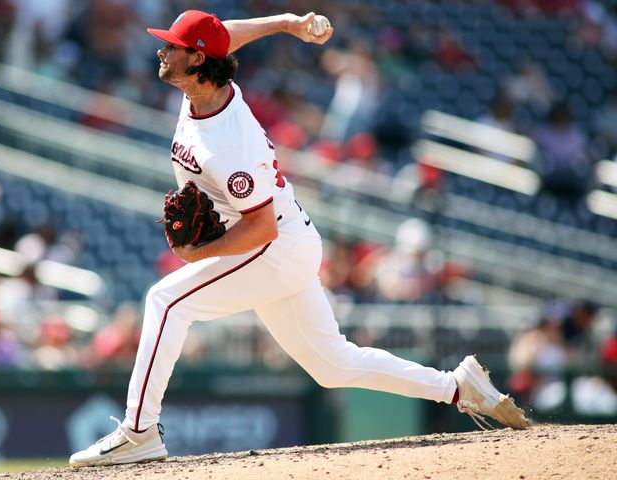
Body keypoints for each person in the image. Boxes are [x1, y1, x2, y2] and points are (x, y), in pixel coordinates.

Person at [69, 10, 528, 468]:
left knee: (166, 301)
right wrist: (287, 22)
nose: (161, 50)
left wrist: (197, 253)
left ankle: (138, 432)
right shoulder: (206, 86)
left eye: (171, 45)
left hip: (274, 246)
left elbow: (261, 228)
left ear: (196, 59)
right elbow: (227, 36)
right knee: (333, 365)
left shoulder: (229, 145)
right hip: (289, 239)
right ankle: (456, 387)